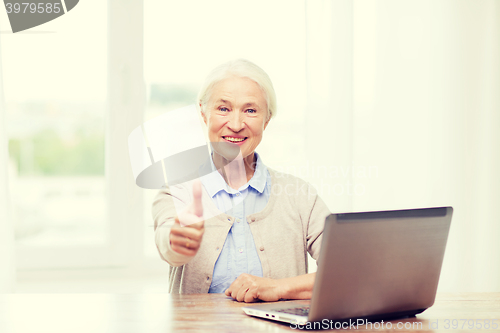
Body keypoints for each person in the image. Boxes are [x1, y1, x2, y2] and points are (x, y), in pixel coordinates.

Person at [152, 59, 330, 303]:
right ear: (203, 114)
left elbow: (348, 271)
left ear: (267, 120)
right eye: (223, 109)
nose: (235, 125)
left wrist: (278, 288)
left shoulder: (300, 196)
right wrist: (176, 239)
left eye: (250, 110)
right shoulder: (178, 190)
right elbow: (166, 239)